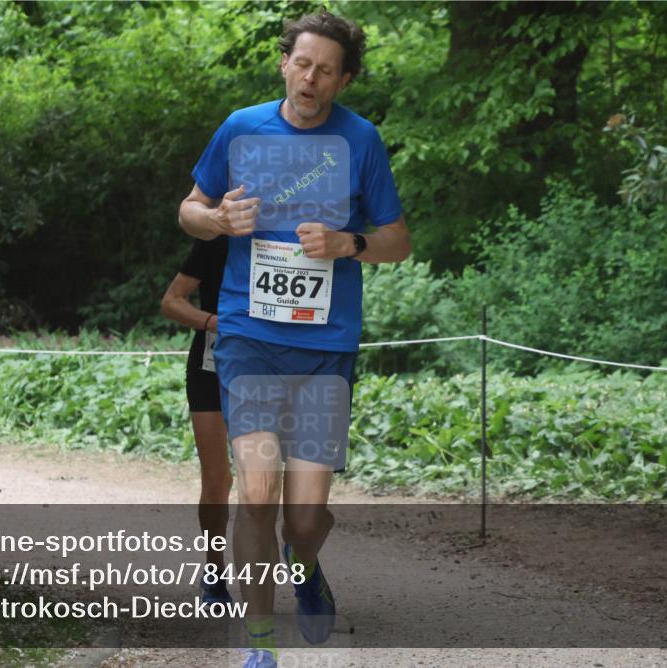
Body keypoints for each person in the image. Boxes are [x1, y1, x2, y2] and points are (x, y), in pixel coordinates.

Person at [178, 10, 411, 668]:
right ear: (285, 63)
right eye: (302, 63)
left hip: (324, 349)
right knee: (256, 494)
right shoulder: (241, 127)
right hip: (249, 339)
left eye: (326, 70)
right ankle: (260, 646)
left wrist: (349, 243)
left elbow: (398, 240)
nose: (310, 79)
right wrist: (217, 219)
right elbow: (188, 210)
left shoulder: (361, 140)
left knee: (304, 520)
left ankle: (303, 561)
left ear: (344, 80)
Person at [159, 235, 233, 606]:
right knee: (218, 479)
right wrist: (215, 322)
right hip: (212, 365)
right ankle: (214, 573)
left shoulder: (293, 236)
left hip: (271, 366)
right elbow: (171, 301)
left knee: (264, 477)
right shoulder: (218, 239)